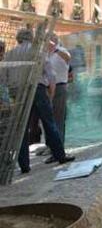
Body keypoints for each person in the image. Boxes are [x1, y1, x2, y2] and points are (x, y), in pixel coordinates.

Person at [3, 28, 75, 173]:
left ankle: (24, 165)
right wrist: (50, 93)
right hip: (38, 88)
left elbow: (3, 78)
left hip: (17, 91)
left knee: (21, 127)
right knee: (49, 123)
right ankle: (60, 156)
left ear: (18, 39)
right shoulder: (38, 52)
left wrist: (12, 91)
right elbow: (50, 74)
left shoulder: (10, 54)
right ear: (31, 38)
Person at [46, 34, 71, 150]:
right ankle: (52, 147)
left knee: (58, 119)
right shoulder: (48, 54)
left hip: (59, 87)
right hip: (49, 88)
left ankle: (58, 148)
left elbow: (68, 57)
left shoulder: (61, 51)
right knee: (51, 119)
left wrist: (55, 48)